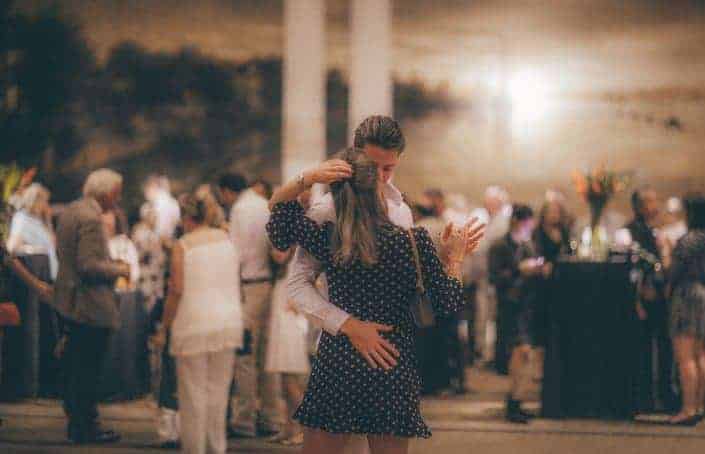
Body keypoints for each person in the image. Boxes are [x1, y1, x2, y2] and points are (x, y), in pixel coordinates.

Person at [266, 148, 484, 454]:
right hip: (392, 360)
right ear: (379, 188)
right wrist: (455, 259)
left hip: (339, 358)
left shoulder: (331, 238)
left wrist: (307, 178)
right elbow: (447, 302)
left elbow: (278, 218)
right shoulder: (413, 241)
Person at [151, 192, 244, 454]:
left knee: (192, 396)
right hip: (227, 322)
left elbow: (176, 289)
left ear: (186, 218)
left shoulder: (183, 245)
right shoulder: (228, 240)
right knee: (219, 394)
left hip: (193, 325)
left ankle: (196, 450)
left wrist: (164, 327)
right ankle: (217, 448)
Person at [53, 168, 131, 444]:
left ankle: (79, 424)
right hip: (90, 305)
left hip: (69, 301)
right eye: (117, 192)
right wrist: (119, 269)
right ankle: (86, 427)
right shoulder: (91, 218)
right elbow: (88, 266)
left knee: (76, 366)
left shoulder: (71, 212)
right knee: (88, 369)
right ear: (108, 192)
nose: (118, 198)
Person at [217, 173, 282, 438]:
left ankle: (243, 421)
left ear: (225, 191)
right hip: (267, 284)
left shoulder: (241, 210)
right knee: (266, 355)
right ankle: (270, 416)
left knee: (244, 355)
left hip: (248, 286)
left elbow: (237, 254)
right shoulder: (262, 204)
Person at [489, 204, 549, 424]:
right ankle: (513, 403)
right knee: (519, 352)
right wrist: (518, 270)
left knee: (525, 355)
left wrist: (538, 269)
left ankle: (517, 400)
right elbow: (495, 277)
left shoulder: (527, 244)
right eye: (525, 224)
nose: (528, 228)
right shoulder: (500, 246)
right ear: (516, 221)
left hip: (527, 305)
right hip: (510, 306)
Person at [627, 187, 676, 412]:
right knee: (642, 349)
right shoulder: (631, 231)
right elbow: (634, 266)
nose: (654, 206)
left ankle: (666, 395)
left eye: (655, 200)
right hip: (644, 296)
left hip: (661, 296)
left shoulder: (657, 229)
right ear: (637, 206)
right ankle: (643, 397)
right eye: (648, 202)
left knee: (666, 347)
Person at [265, 247, 309, 446]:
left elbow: (310, 286)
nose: (276, 254)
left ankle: (303, 427)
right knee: (283, 381)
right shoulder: (283, 270)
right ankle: (288, 427)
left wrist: (298, 305)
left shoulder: (297, 263)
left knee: (291, 383)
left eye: (279, 249)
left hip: (291, 326)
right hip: (281, 325)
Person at [668, 194, 705, 425]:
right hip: (704, 293)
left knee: (685, 357)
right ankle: (700, 406)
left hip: (686, 295)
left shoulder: (688, 241)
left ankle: (688, 408)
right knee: (702, 354)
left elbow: (673, 272)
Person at [467, 186, 511, 369]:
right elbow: (474, 242)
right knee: (481, 315)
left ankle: (494, 353)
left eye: (496, 201)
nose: (492, 204)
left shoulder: (505, 219)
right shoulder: (478, 216)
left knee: (497, 316)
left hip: (499, 276)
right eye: (490, 200)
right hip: (481, 274)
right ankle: (480, 351)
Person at [6, 183, 58, 281]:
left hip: (49, 274)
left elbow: (52, 244)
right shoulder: (22, 219)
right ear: (36, 201)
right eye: (44, 201)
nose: (46, 205)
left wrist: (48, 221)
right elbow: (12, 247)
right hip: (34, 274)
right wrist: (36, 250)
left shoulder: (38, 221)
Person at [132, 203, 167, 314]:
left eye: (156, 215)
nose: (156, 218)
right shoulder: (140, 233)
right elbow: (140, 255)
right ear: (146, 216)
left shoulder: (153, 233)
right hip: (146, 277)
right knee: (147, 308)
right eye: (153, 215)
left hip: (156, 277)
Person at [103, 210, 140, 292]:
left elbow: (134, 271)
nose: (106, 221)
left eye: (109, 217)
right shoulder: (94, 243)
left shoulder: (124, 243)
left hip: (121, 292)